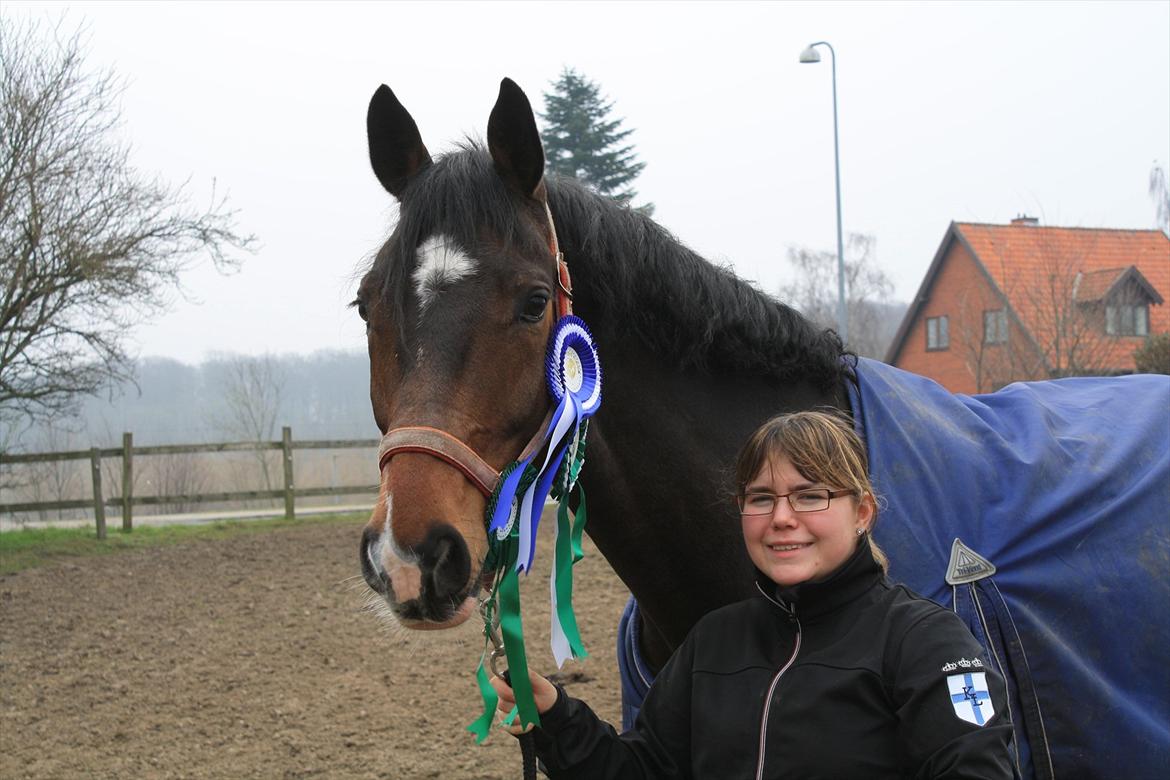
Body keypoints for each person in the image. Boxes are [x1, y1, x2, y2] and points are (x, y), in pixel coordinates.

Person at [491, 410, 1018, 779]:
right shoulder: (714, 642)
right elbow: (645, 770)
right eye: (761, 498)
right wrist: (559, 720)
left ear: (861, 513)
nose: (782, 518)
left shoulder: (926, 643)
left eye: (811, 496)